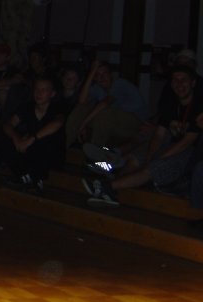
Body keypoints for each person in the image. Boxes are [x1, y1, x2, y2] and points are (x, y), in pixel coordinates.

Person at [83, 66, 202, 208]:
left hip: (191, 153)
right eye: (175, 80)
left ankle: (108, 182)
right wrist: (149, 157)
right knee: (137, 158)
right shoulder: (171, 104)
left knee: (155, 165)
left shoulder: (199, 106)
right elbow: (159, 135)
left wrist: (158, 158)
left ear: (193, 83)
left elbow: (187, 142)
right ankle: (111, 182)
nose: (179, 84)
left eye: (184, 80)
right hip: (170, 144)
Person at [0, 77, 65, 193]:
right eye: (36, 89)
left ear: (52, 94)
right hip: (29, 148)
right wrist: (16, 138)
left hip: (51, 153)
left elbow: (57, 123)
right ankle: (24, 175)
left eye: (44, 90)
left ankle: (37, 179)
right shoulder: (27, 107)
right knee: (2, 137)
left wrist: (31, 139)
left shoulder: (58, 108)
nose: (39, 93)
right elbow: (8, 124)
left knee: (45, 140)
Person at [65, 60, 148, 149]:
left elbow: (105, 103)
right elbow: (82, 101)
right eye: (97, 75)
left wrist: (84, 123)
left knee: (104, 112)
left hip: (135, 123)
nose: (102, 77)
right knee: (81, 109)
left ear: (110, 74)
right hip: (113, 122)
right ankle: (64, 146)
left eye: (105, 73)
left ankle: (95, 151)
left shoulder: (120, 84)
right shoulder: (98, 88)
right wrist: (91, 73)